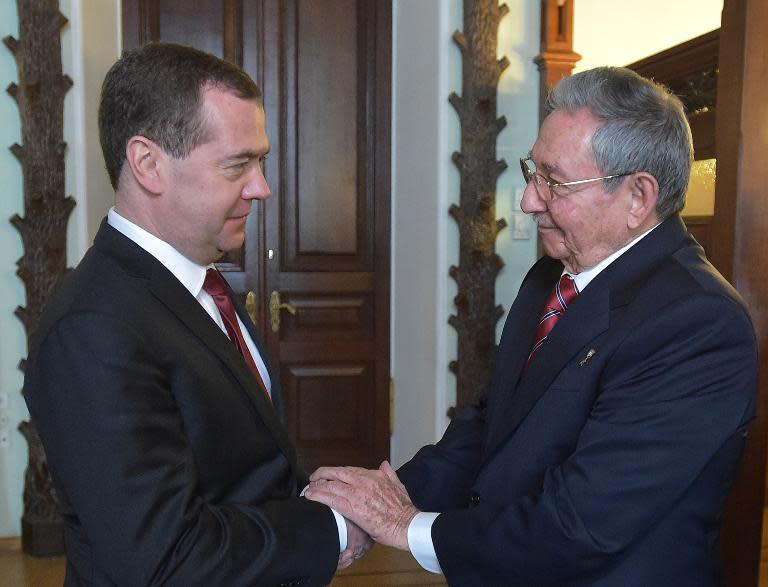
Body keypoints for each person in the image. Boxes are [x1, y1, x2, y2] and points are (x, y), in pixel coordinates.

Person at [305, 66, 758, 586]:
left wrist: (406, 526)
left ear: (638, 197)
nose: (528, 201)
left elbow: (581, 525)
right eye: (532, 171)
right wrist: (371, 505)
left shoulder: (698, 325)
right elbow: (490, 427)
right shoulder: (553, 274)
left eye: (555, 182)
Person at [23, 42, 369, 586]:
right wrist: (329, 528)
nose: (262, 188)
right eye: (239, 165)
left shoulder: (200, 285)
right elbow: (164, 560)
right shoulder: (94, 328)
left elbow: (242, 474)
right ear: (148, 164)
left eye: (262, 162)